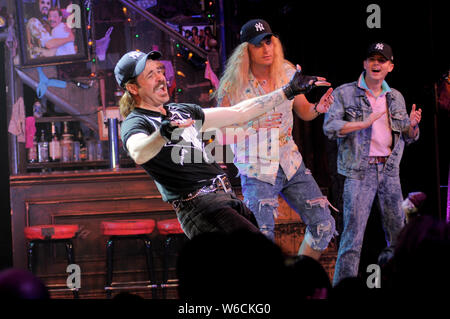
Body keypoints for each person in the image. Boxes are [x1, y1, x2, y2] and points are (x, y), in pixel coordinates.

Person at [116, 49, 330, 239]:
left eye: (159, 71)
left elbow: (239, 112)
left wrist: (287, 91)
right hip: (201, 206)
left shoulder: (180, 110)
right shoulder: (136, 121)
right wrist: (164, 133)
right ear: (133, 88)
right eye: (150, 75)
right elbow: (138, 152)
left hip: (226, 198)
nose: (161, 78)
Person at [214, 19, 336, 260]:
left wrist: (318, 109)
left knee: (324, 225)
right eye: (259, 44)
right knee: (260, 241)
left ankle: (298, 279)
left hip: (290, 162)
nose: (267, 49)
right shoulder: (233, 85)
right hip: (256, 167)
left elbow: (304, 111)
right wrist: (253, 127)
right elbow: (220, 133)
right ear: (246, 50)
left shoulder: (288, 73)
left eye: (269, 42)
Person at [323, 42, 422, 286]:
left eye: (381, 60)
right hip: (360, 170)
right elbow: (330, 127)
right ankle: (343, 292)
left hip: (389, 171)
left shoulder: (395, 96)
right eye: (372, 59)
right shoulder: (346, 93)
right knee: (352, 239)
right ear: (364, 64)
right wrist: (361, 124)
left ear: (390, 66)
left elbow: (408, 137)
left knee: (398, 237)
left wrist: (413, 126)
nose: (376, 64)